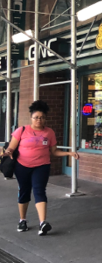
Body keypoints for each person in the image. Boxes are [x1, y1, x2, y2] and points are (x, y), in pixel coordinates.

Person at [1, 100, 79, 235]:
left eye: (42, 117)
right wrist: (7, 152)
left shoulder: (49, 133)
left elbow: (54, 151)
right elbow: (11, 148)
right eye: (36, 117)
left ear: (45, 119)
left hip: (42, 167)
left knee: (39, 191)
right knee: (24, 191)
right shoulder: (22, 130)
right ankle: (22, 220)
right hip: (22, 166)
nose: (39, 120)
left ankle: (43, 223)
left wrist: (68, 153)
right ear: (31, 118)